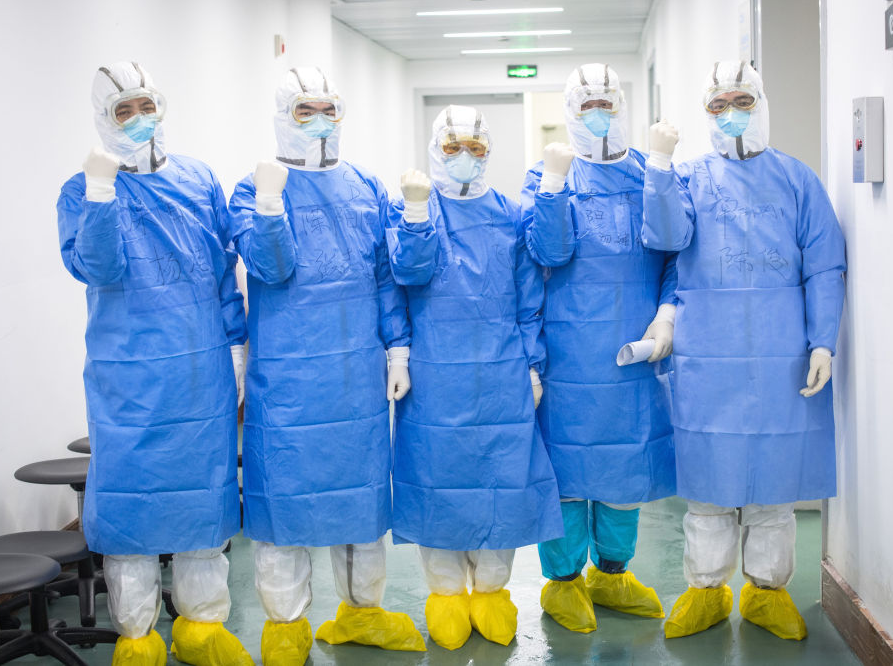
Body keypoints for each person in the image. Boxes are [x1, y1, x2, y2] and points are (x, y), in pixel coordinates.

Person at [641, 60, 846, 641]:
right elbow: (665, 238)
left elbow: (824, 265)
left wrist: (823, 341)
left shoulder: (797, 179)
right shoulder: (688, 178)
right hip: (708, 354)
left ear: (761, 102)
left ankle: (766, 592)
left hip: (782, 354)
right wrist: (659, 167)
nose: (730, 114)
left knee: (773, 484)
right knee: (709, 482)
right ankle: (705, 590)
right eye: (718, 105)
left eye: (741, 102)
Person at [228, 66, 425, 664]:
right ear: (282, 116)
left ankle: (363, 613)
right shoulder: (252, 189)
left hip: (355, 378)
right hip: (287, 380)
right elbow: (271, 269)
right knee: (284, 505)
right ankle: (286, 628)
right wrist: (270, 203)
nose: (318, 122)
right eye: (304, 110)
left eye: (328, 110)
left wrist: (398, 347)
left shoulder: (365, 186)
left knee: (360, 504)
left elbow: (385, 278)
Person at [57, 62, 251, 666]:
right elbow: (99, 269)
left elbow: (222, 268)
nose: (140, 118)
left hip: (201, 372)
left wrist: (236, 345)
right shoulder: (81, 191)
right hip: (129, 377)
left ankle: (202, 627)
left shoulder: (198, 179)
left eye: (147, 105)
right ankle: (137, 636)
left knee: (203, 503)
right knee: (131, 507)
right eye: (124, 110)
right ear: (104, 119)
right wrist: (100, 193)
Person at [386, 105, 564, 650]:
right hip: (434, 377)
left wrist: (532, 365)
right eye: (453, 146)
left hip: (501, 372)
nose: (464, 156)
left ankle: (490, 592)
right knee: (437, 483)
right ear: (435, 147)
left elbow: (528, 298)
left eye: (476, 148)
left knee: (500, 485)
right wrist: (399, 355)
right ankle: (444, 594)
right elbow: (403, 277)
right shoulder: (411, 209)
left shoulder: (509, 214)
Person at [520, 63, 678, 633]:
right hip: (566, 356)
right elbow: (547, 254)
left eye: (606, 102)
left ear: (622, 104)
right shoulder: (544, 177)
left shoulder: (648, 173)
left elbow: (675, 247)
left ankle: (612, 574)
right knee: (565, 471)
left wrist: (667, 313)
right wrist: (554, 185)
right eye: (586, 104)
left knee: (623, 469)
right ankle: (563, 583)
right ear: (569, 111)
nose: (597, 113)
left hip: (632, 353)